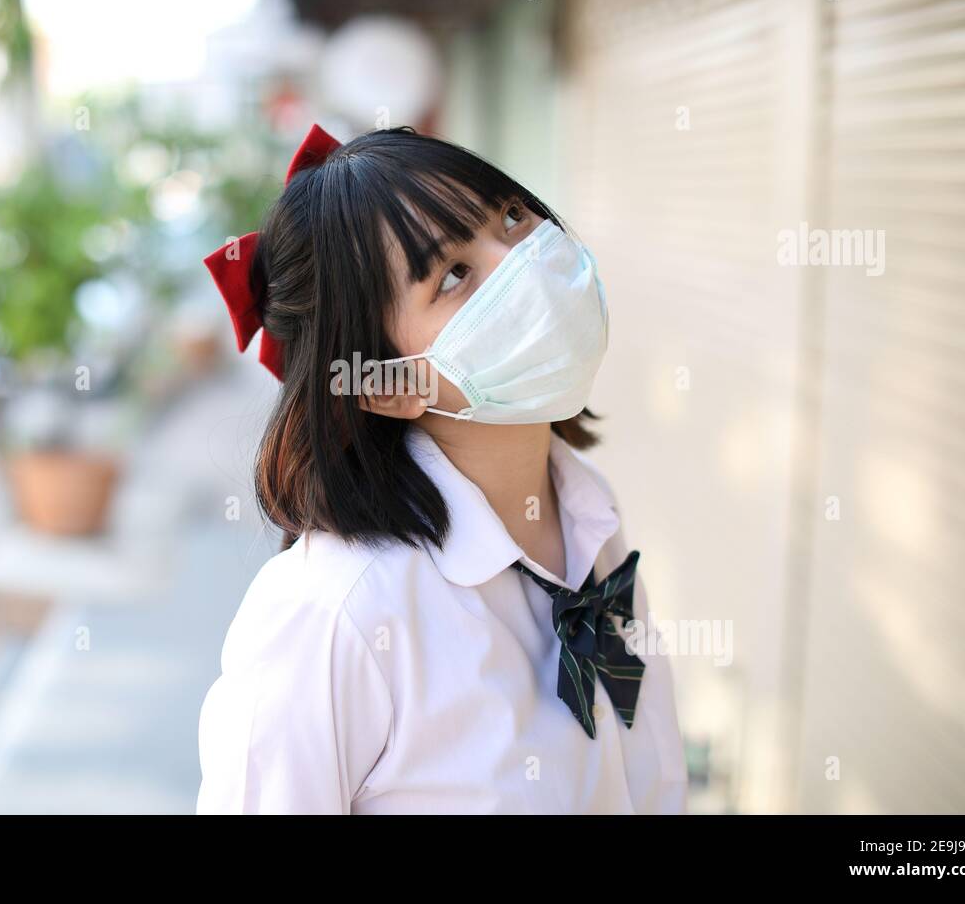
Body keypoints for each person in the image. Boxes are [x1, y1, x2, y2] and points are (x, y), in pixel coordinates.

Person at [195, 124, 687, 813]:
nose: (522, 261)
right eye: (453, 275)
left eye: (513, 216)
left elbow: (651, 779)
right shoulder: (336, 617)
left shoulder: (587, 513)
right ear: (379, 383)